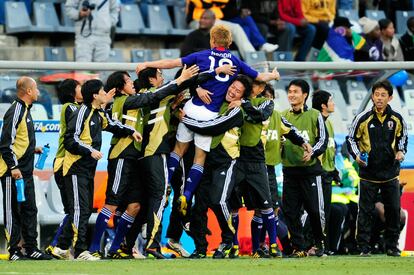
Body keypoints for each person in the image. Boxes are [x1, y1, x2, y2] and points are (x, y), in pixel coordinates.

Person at [136, 24, 280, 218]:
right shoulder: (235, 61)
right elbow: (259, 77)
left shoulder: (201, 56)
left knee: (178, 150)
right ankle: (187, 194)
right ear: (229, 43)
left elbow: (172, 63)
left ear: (212, 40)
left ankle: (167, 184)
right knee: (199, 158)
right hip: (210, 116)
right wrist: (273, 75)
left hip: (191, 109)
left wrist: (148, 64)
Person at [87, 67, 199, 259]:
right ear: (121, 88)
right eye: (128, 81)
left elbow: (151, 108)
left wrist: (171, 108)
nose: (132, 83)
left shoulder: (133, 102)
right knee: (112, 203)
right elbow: (149, 99)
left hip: (135, 159)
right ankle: (94, 248)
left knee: (135, 206)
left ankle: (117, 249)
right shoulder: (125, 101)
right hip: (121, 156)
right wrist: (181, 79)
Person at [63, 79, 142, 260]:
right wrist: (90, 151)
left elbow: (113, 125)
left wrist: (130, 131)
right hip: (75, 167)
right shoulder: (81, 112)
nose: (105, 94)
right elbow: (71, 139)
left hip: (87, 168)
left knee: (84, 209)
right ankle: (80, 250)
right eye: (102, 91)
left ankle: (66, 248)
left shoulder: (98, 113)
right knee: (79, 210)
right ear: (95, 95)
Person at [181, 75, 252, 258]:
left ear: (242, 96)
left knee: (219, 201)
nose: (232, 91)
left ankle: (228, 241)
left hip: (226, 162)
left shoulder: (237, 111)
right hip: (205, 162)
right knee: (199, 207)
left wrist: (185, 120)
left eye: (238, 91)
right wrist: (197, 88)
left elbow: (212, 127)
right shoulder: (216, 101)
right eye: (232, 87)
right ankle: (201, 248)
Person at [346, 79, 408, 257]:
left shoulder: (397, 119)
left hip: (390, 173)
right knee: (364, 212)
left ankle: (392, 246)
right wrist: (357, 155)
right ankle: (363, 247)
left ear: (390, 97)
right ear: (372, 97)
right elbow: (351, 139)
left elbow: (402, 138)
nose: (379, 98)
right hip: (368, 174)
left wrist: (401, 152)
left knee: (393, 211)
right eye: (376, 95)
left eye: (383, 95)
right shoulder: (363, 118)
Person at [0, 77, 53, 261]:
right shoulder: (15, 111)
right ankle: (14, 250)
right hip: (11, 172)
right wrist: (13, 167)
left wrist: (34, 149)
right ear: (28, 91)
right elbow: (6, 144)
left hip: (26, 171)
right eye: (36, 88)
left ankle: (31, 248)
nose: (38, 91)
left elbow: (19, 141)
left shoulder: (26, 111)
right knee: (12, 211)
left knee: (30, 209)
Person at [281, 79, 328, 258]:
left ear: (305, 95)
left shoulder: (316, 115)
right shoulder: (283, 115)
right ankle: (299, 247)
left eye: (296, 91)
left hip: (311, 172)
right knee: (291, 212)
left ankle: (318, 243)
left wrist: (312, 153)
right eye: (290, 91)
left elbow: (323, 140)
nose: (291, 94)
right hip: (289, 171)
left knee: (315, 211)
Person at [46, 79, 83, 259]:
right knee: (75, 209)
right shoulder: (71, 108)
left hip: (66, 163)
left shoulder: (75, 107)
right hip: (64, 163)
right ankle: (59, 246)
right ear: (71, 92)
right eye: (79, 87)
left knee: (73, 209)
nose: (82, 90)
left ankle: (56, 246)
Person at [311, 89, 340, 254]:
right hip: (318, 174)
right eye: (331, 100)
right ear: (323, 106)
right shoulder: (316, 122)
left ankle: (325, 247)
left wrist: (333, 169)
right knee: (317, 212)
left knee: (326, 212)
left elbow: (330, 149)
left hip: (328, 174)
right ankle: (312, 245)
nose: (334, 103)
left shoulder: (328, 122)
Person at [185, 0, 256, 59]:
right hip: (197, 21)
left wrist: (212, 2)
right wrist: (214, 2)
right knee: (216, 31)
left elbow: (224, 2)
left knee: (236, 27)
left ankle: (252, 58)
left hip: (216, 21)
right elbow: (203, 4)